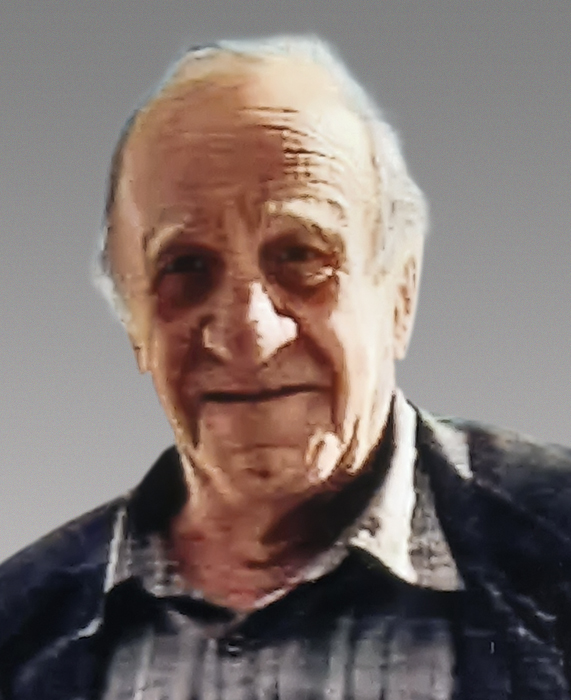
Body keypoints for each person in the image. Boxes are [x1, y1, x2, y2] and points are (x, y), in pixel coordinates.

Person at [0, 34, 570, 700]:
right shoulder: (18, 630)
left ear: (399, 294)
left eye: (300, 256)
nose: (247, 333)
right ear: (133, 319)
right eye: (186, 266)